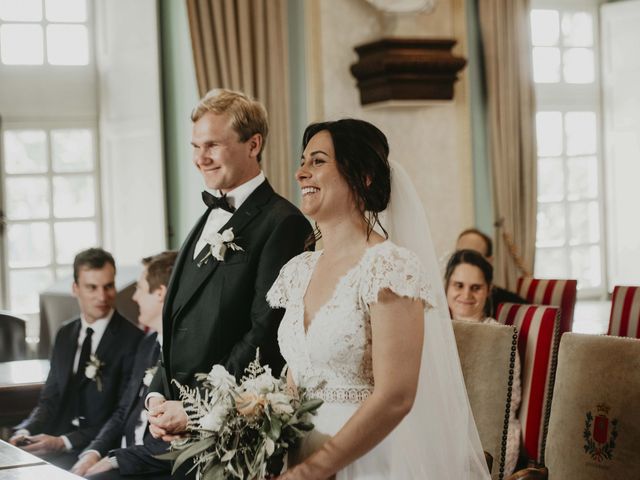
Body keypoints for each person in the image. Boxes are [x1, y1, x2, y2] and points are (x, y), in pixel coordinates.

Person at [267, 119, 489, 479]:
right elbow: (296, 378)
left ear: (363, 176)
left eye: (318, 161)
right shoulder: (299, 270)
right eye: (303, 161)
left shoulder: (389, 267)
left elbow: (396, 396)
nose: (301, 172)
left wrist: (315, 470)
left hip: (365, 460)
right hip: (297, 456)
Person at [146, 89, 312, 447]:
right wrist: (158, 399)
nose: (200, 158)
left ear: (253, 145)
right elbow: (178, 322)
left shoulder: (283, 223)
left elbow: (265, 334)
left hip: (230, 431)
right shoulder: (208, 215)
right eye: (195, 146)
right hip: (178, 426)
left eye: (212, 146)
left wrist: (195, 407)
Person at [10, 248, 142, 469]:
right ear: (75, 288)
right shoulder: (65, 333)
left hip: (95, 449)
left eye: (108, 286)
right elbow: (49, 399)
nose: (102, 296)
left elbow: (121, 413)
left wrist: (64, 443)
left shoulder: (134, 340)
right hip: (53, 441)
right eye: (92, 287)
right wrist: (26, 430)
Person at [69, 251, 178, 479]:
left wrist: (116, 460)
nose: (134, 297)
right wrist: (94, 451)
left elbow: (178, 442)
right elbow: (123, 411)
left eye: (139, 288)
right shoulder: (148, 344)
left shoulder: (185, 354)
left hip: (151, 469)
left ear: (160, 293)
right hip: (123, 456)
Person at [445, 249, 521, 475]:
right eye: (458, 285)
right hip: (444, 425)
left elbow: (509, 401)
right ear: (447, 287)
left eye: (475, 287)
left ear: (488, 290)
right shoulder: (435, 330)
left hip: (489, 433)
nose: (466, 294)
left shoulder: (499, 335)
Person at [456, 228, 526, 316]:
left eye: (473, 257)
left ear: (489, 262)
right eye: (458, 256)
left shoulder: (515, 308)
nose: (463, 263)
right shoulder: (443, 299)